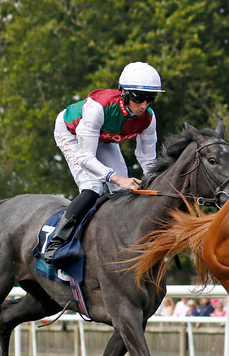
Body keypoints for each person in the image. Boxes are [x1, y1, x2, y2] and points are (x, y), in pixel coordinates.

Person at [43, 62, 163, 263]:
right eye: (139, 98)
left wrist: (156, 185)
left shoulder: (148, 119)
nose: (144, 105)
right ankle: (57, 243)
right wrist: (117, 178)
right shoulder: (98, 107)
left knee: (123, 193)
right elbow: (85, 157)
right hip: (71, 132)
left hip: (104, 139)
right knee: (92, 186)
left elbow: (148, 160)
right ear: (123, 92)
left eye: (151, 99)